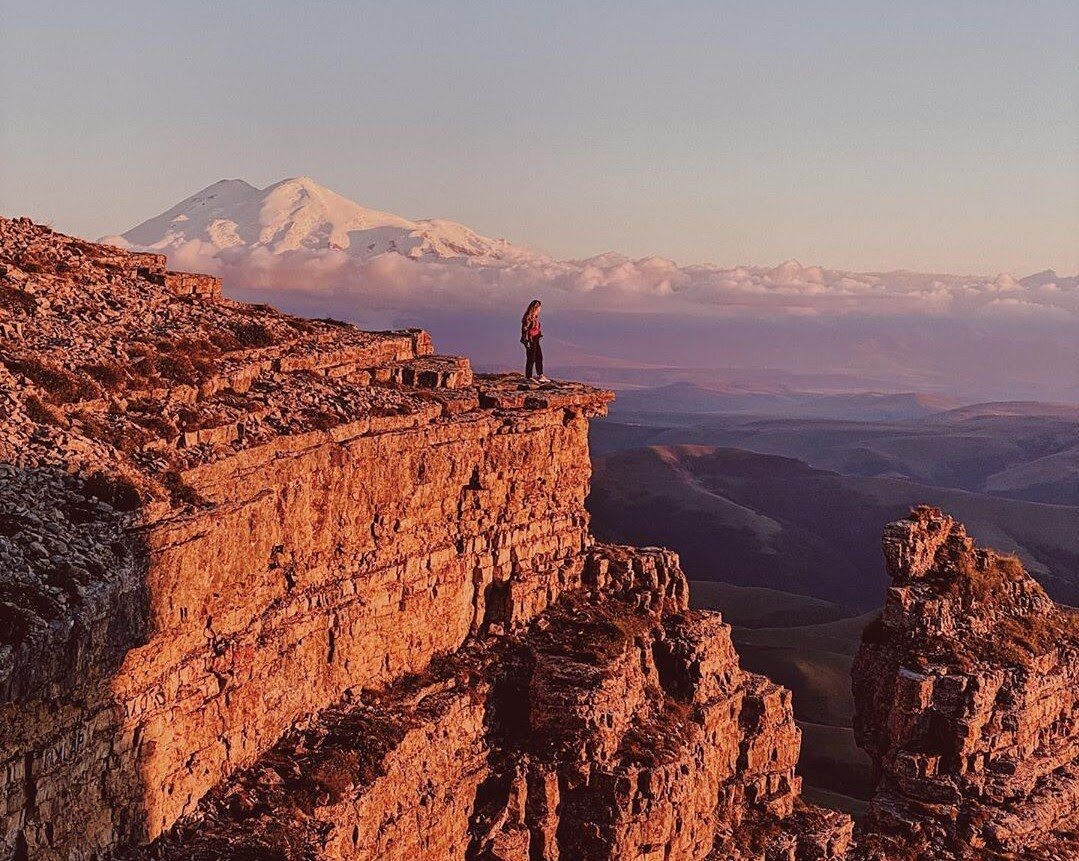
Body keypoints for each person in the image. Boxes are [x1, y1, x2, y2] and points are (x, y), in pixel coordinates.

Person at [520, 299, 549, 382]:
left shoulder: (535, 317)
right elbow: (525, 330)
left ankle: (540, 375)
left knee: (539, 357)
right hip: (530, 340)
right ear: (536, 308)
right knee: (531, 358)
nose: (540, 309)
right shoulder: (528, 317)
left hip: (536, 338)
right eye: (539, 307)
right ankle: (528, 377)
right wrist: (527, 341)